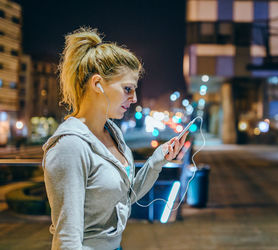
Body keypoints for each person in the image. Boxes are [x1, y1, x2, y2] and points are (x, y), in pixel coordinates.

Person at [42, 27, 188, 250]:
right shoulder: (70, 146)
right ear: (97, 84)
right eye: (127, 88)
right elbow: (67, 241)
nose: (134, 98)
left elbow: (125, 197)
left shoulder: (113, 134)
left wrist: (158, 159)